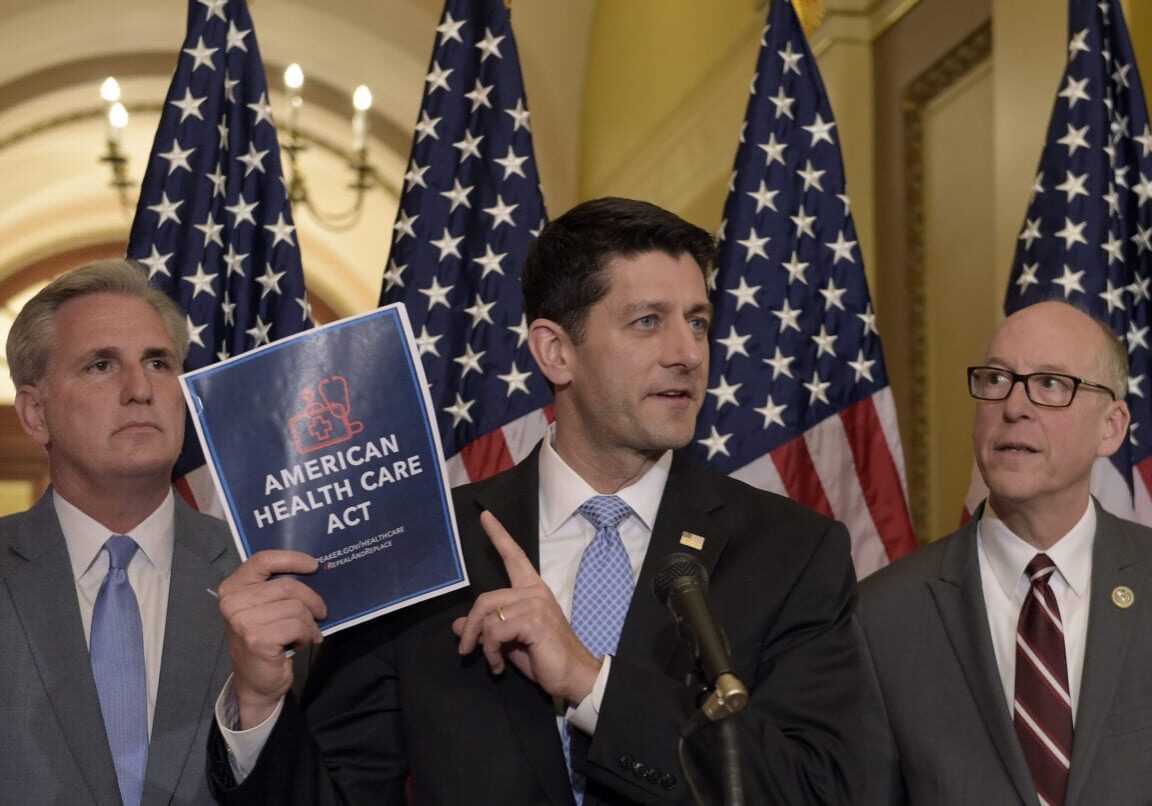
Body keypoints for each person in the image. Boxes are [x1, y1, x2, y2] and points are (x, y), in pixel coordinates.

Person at [208, 197, 864, 804]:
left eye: (698, 322)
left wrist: (590, 684)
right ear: (555, 352)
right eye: (648, 322)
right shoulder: (426, 548)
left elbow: (823, 788)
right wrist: (261, 704)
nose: (688, 353)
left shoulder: (792, 552)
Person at [856, 300, 1152, 805]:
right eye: (996, 379)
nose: (1014, 407)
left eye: (1051, 384)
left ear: (1112, 426)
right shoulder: (879, 616)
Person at [0, 259, 237, 804]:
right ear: (36, 415)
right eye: (101, 365)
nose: (139, 389)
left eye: (158, 363)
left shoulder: (264, 573)